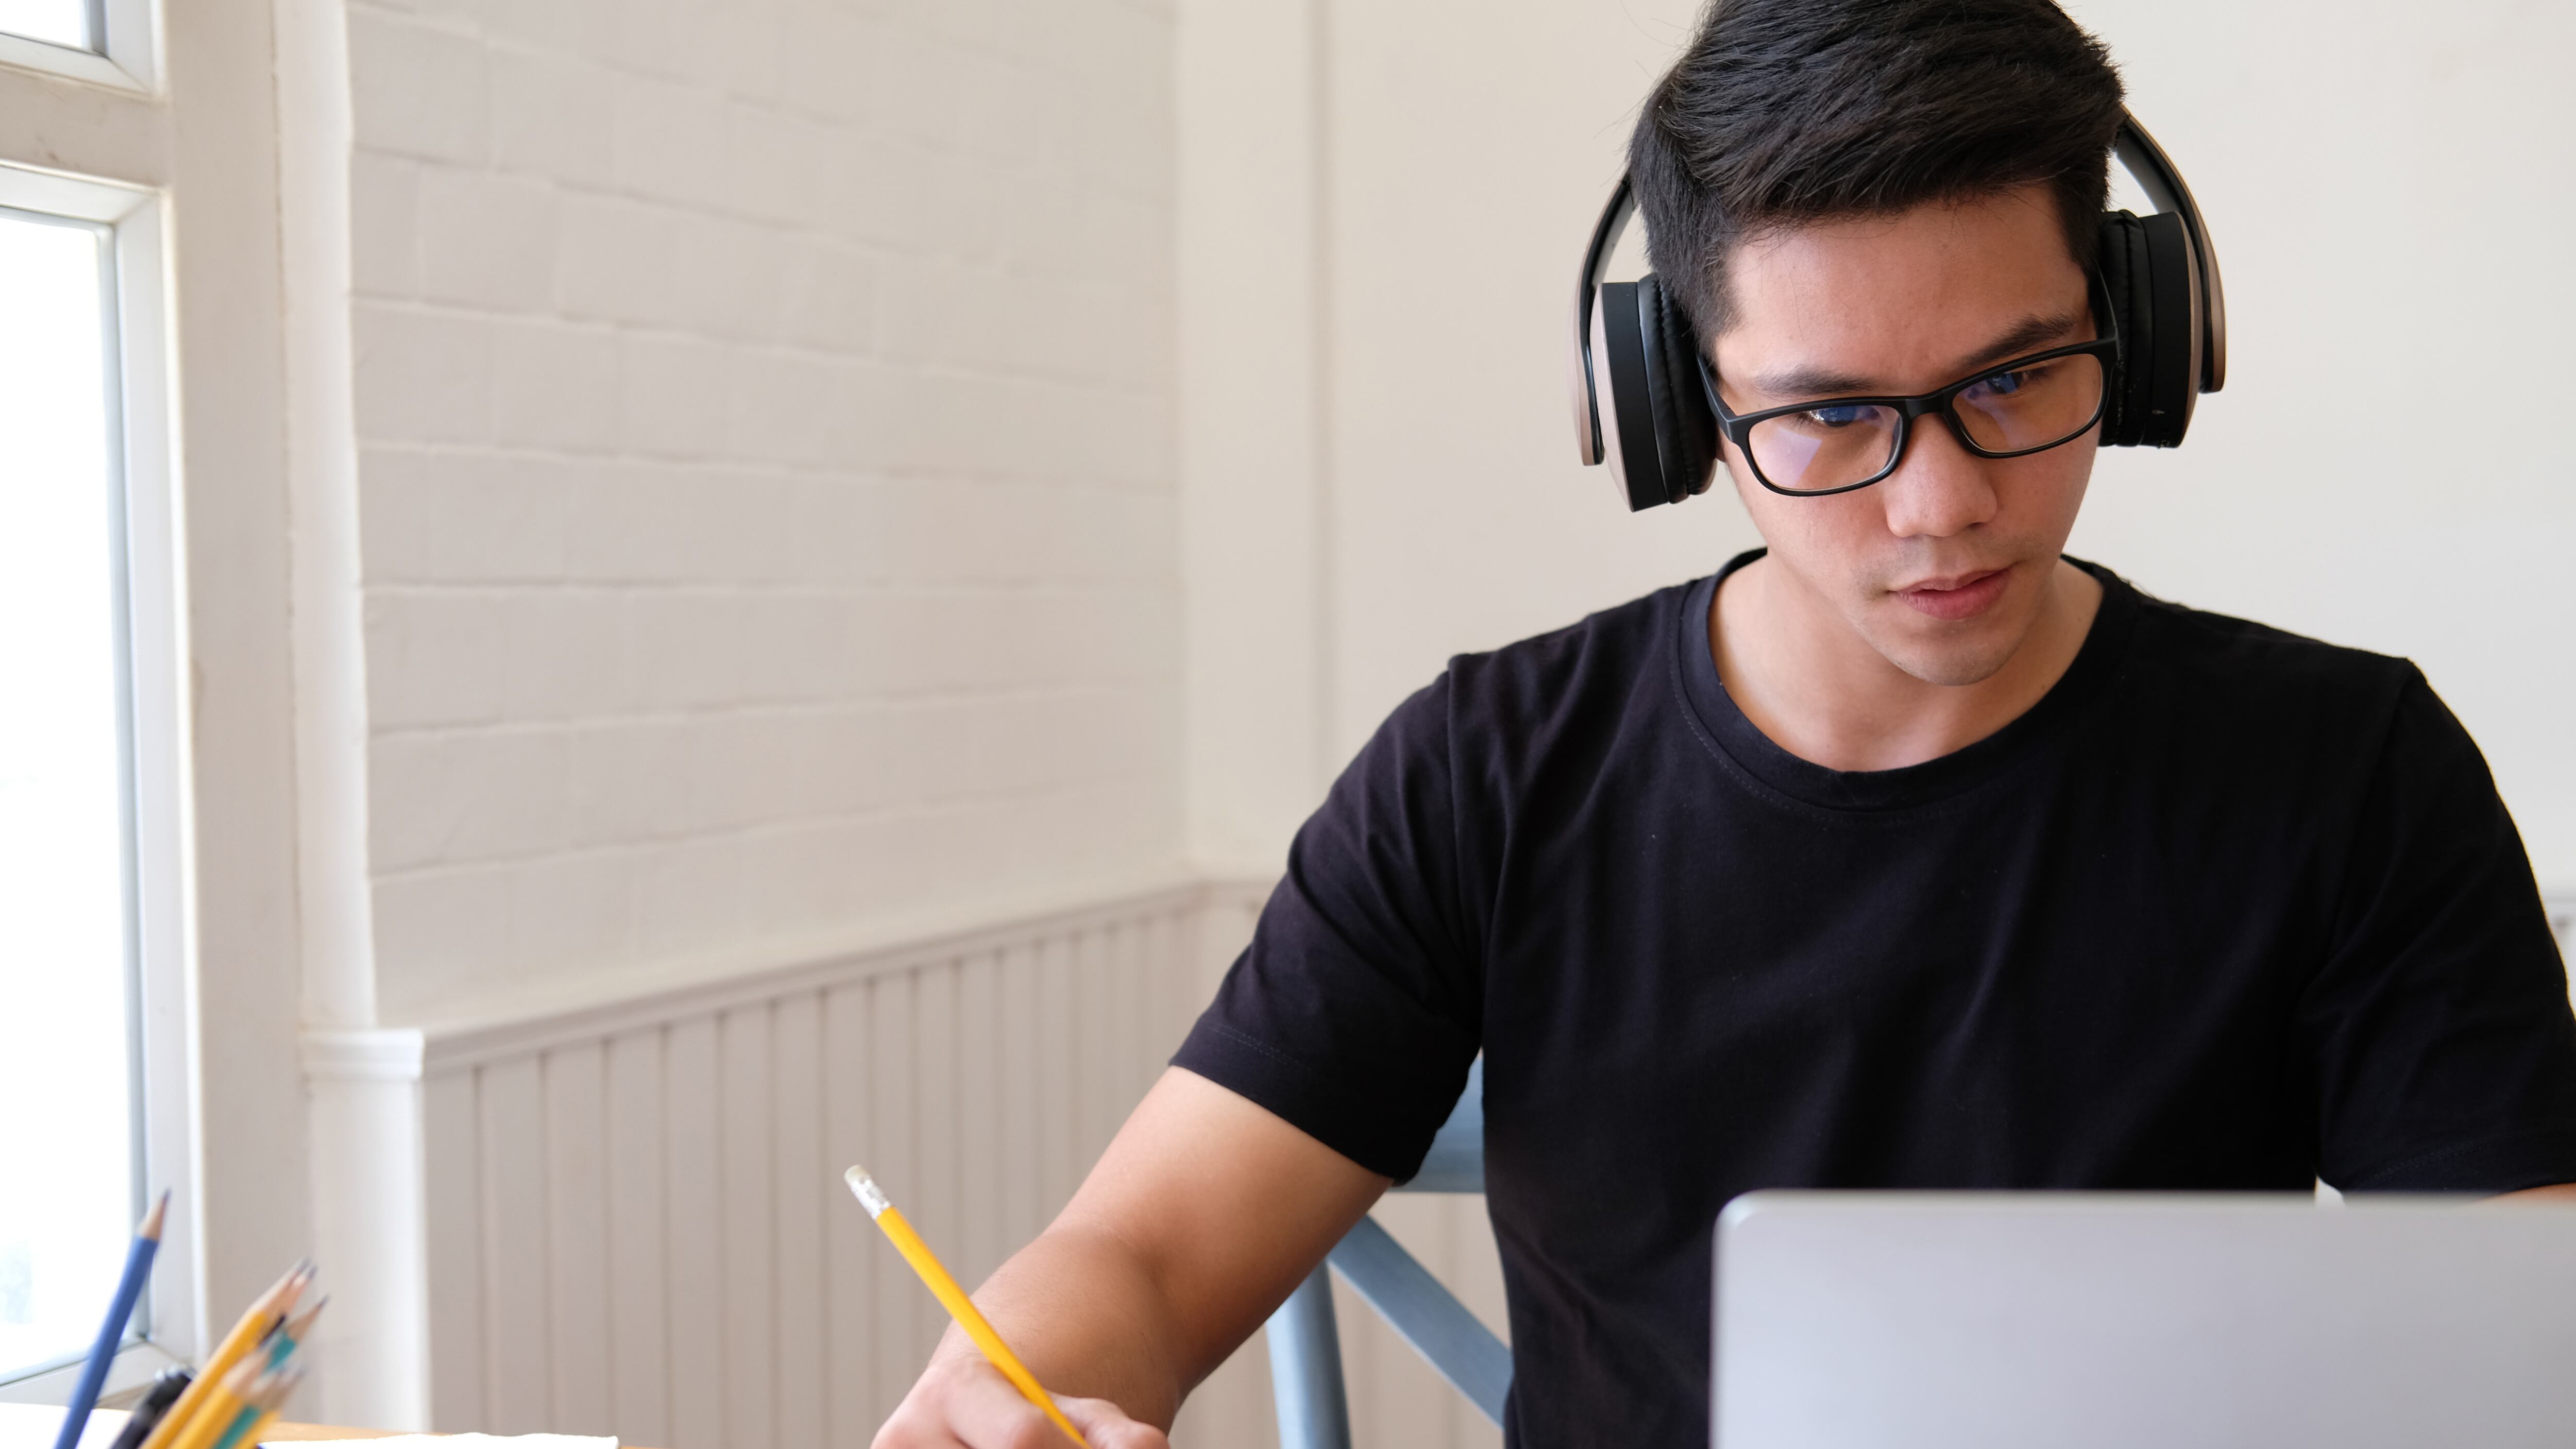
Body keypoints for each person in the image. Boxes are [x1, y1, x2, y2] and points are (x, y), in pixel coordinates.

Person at [876, 1, 2576, 1444]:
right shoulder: (1486, 775)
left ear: (2132, 346)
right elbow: (1149, 1261)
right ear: (1679, 407)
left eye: (2011, 380)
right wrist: (1008, 1389)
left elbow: (2529, 1343)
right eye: (1830, 414)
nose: (1939, 505)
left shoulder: (2349, 774)